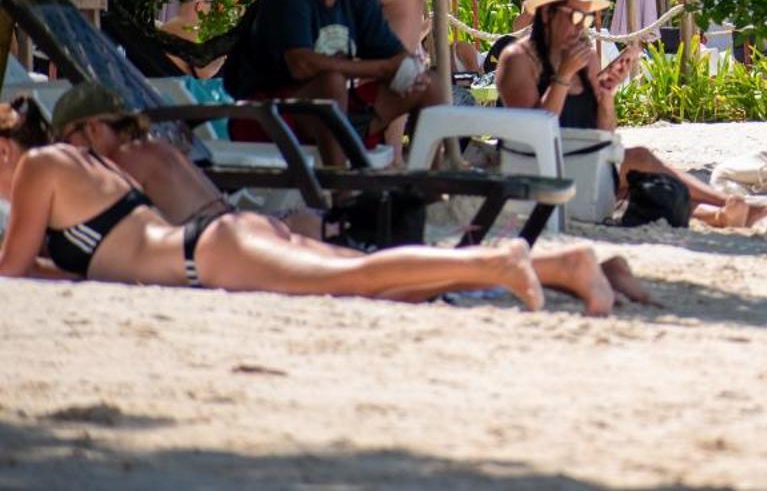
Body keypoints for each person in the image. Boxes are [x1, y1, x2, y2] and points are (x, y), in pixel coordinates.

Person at [46, 82, 651, 315]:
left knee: (375, 278)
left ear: (88, 130)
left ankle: (555, 267)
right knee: (394, 281)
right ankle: (570, 267)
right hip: (261, 227)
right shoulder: (159, 149)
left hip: (233, 243)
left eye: (73, 140)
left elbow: (126, 241)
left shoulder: (117, 164)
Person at [495, 0, 767, 230]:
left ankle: (724, 215)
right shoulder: (518, 59)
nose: (580, 26)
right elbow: (534, 132)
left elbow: (604, 133)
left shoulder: (585, 59)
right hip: (538, 168)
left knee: (651, 184)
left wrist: (606, 96)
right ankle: (727, 204)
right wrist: (563, 76)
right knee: (640, 159)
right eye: (574, 16)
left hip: (582, 161)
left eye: (585, 17)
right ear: (546, 14)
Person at [220, 0, 443, 154]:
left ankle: (424, 183)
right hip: (269, 117)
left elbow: (392, 55)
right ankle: (340, 190)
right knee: (331, 82)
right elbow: (301, 64)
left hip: (338, 112)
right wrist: (382, 68)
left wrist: (408, 69)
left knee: (429, 84)